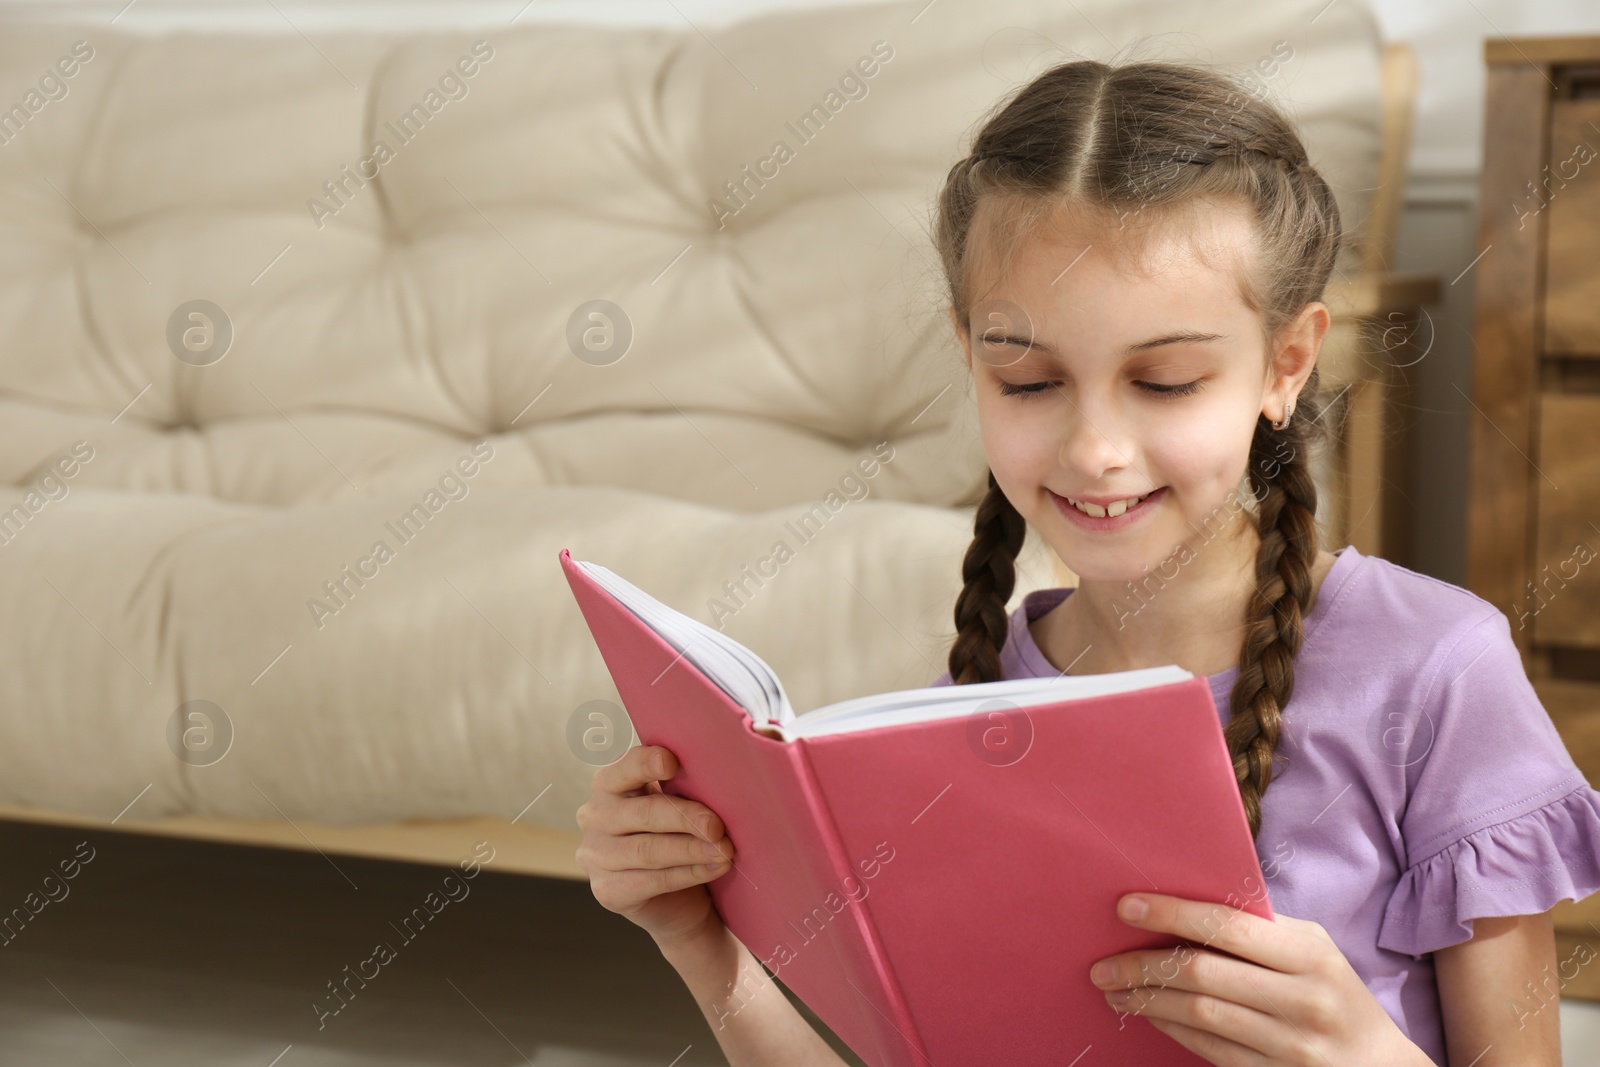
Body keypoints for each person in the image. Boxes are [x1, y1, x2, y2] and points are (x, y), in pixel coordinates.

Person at [575, 57, 1600, 1066]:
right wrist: (699, 942)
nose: (1092, 447)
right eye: (1026, 380)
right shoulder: (959, 719)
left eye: (1162, 380)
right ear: (969, 352)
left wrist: (1360, 1052)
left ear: (1285, 365)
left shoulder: (1434, 671)